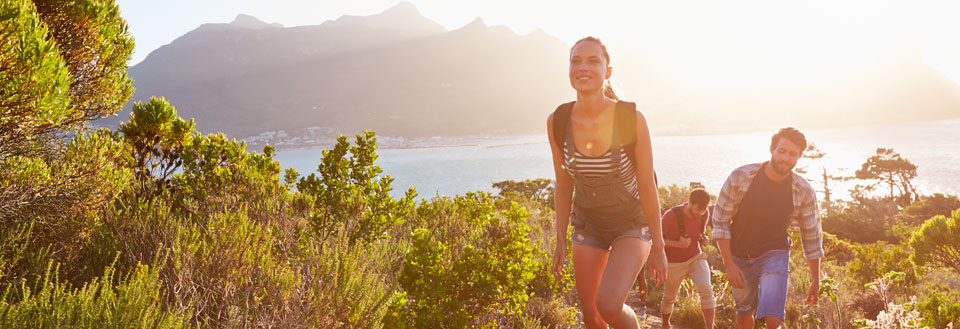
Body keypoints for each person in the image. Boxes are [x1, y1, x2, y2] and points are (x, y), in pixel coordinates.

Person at [548, 36, 667, 329]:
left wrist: (659, 246)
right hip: (589, 224)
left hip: (631, 223)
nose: (582, 67)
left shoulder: (630, 118)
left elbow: (647, 184)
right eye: (575, 61)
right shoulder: (558, 120)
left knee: (609, 305)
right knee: (592, 319)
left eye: (593, 61)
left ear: (608, 71)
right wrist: (560, 238)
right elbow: (564, 186)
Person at [712, 127, 823, 329]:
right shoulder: (740, 176)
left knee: (774, 318)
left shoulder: (803, 190)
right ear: (772, 149)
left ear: (800, 156)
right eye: (782, 151)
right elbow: (720, 221)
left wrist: (815, 280)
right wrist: (729, 264)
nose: (786, 158)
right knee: (745, 312)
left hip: (775, 253)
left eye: (792, 154)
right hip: (739, 255)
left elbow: (812, 237)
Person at [660, 188, 715, 329]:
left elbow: (699, 234)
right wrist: (678, 244)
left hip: (696, 257)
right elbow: (655, 239)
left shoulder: (704, 214)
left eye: (703, 210)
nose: (700, 213)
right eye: (697, 209)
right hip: (674, 262)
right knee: (669, 298)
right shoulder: (670, 216)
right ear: (689, 202)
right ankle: (665, 324)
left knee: (706, 290)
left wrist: (704, 239)